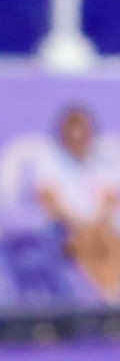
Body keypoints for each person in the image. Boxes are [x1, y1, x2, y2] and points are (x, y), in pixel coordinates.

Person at [31, 105, 120, 302]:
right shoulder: (49, 160)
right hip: (65, 228)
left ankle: (113, 291)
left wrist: (95, 223)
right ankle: (101, 296)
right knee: (82, 242)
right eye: (73, 135)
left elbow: (111, 198)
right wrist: (78, 224)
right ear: (64, 137)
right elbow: (49, 199)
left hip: (99, 226)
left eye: (83, 133)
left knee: (109, 242)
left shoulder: (104, 160)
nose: (78, 140)